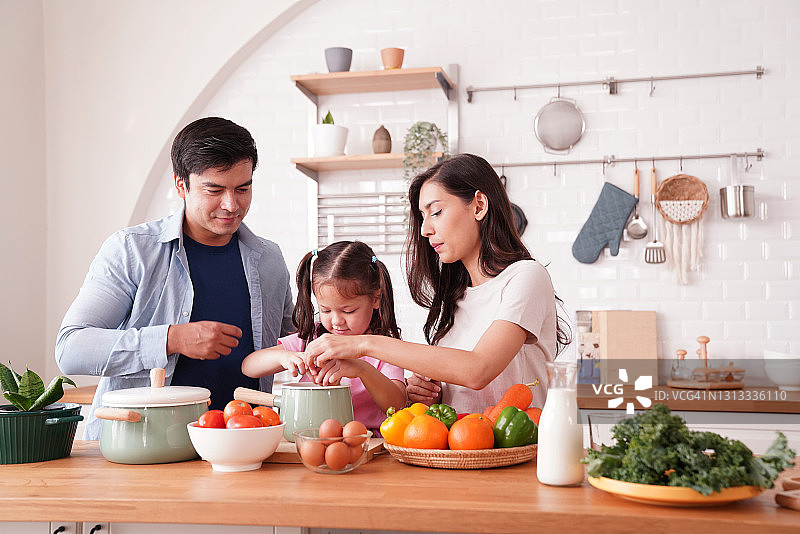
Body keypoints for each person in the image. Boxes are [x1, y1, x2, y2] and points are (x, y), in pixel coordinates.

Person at [56, 117, 294, 440]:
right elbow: (71, 348)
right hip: (143, 447)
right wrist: (171, 339)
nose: (231, 204)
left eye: (243, 188)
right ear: (181, 184)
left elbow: (293, 341)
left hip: (242, 444)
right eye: (214, 189)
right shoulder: (132, 250)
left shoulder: (269, 260)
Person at [302, 153, 571, 414]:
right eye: (422, 216)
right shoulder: (455, 297)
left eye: (437, 212)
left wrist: (364, 344)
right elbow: (465, 390)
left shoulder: (526, 277)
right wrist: (434, 392)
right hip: (460, 454)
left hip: (519, 454)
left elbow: (477, 370)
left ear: (479, 206)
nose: (424, 229)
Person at [242, 241, 407, 431]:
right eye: (326, 310)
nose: (336, 321)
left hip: (367, 444)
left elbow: (397, 406)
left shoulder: (385, 348)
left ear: (376, 299)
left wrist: (362, 369)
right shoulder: (312, 338)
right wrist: (284, 356)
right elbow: (249, 367)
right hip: (309, 438)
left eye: (349, 310)